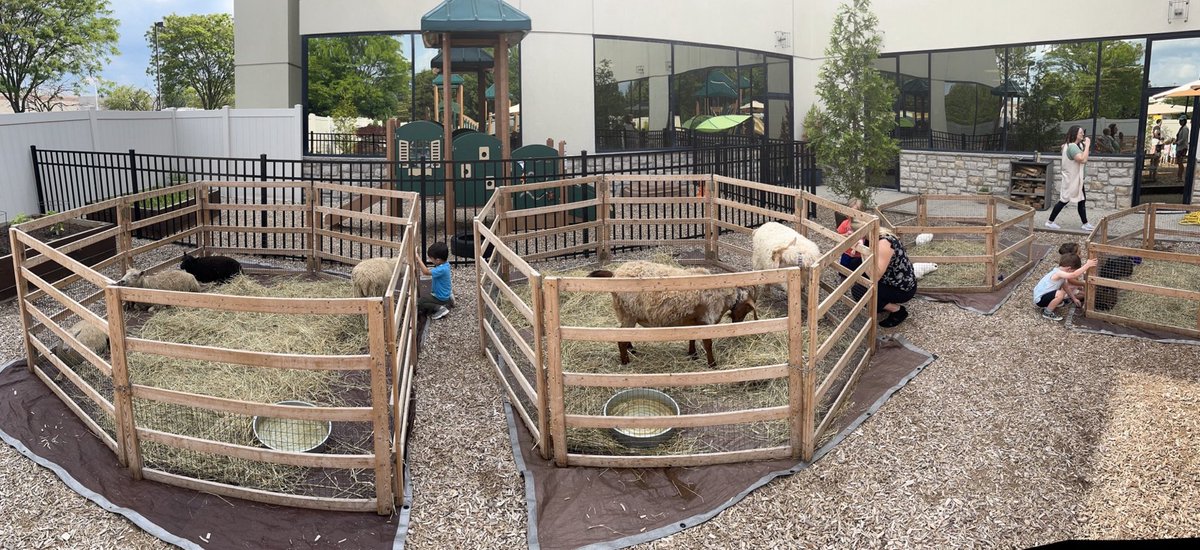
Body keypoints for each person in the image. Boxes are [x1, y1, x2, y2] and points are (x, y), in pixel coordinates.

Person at [850, 228, 917, 328]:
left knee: (858, 291)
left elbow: (874, 276)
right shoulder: (876, 235)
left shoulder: (884, 243)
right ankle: (880, 302)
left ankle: (897, 310)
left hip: (901, 289)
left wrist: (862, 250)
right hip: (891, 278)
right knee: (853, 264)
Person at [1045, 125, 1094, 232]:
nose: (1083, 134)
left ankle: (1085, 223)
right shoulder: (1072, 147)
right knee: (1064, 200)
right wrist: (1088, 145)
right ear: (1075, 134)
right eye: (1081, 132)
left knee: (1081, 200)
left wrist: (1084, 146)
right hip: (1073, 180)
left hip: (1075, 179)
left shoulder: (1070, 146)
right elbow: (1083, 159)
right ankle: (1049, 222)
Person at [1032, 252, 1097, 321]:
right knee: (1060, 293)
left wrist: (1074, 299)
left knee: (1061, 293)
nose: (1072, 272)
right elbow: (1073, 275)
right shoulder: (1058, 273)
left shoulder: (1060, 274)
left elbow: (1066, 288)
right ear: (1069, 269)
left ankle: (1050, 305)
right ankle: (1047, 312)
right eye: (1073, 271)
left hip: (1042, 296)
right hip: (1040, 300)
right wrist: (1087, 265)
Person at [416, 242, 453, 320]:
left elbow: (426, 272)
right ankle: (448, 300)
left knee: (421, 302)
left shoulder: (441, 269)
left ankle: (440, 308)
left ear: (438, 260)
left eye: (431, 258)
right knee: (426, 299)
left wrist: (418, 259)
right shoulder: (445, 265)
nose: (430, 260)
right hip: (444, 294)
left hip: (440, 297)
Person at [1177, 116, 1190, 180]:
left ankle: (1180, 177)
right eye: (1180, 121)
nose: (1180, 122)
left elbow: (1184, 138)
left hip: (1183, 147)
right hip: (1179, 147)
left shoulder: (1185, 128)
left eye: (1181, 121)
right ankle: (1179, 176)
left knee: (1180, 162)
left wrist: (1177, 142)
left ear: (1184, 121)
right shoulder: (1181, 128)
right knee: (1179, 162)